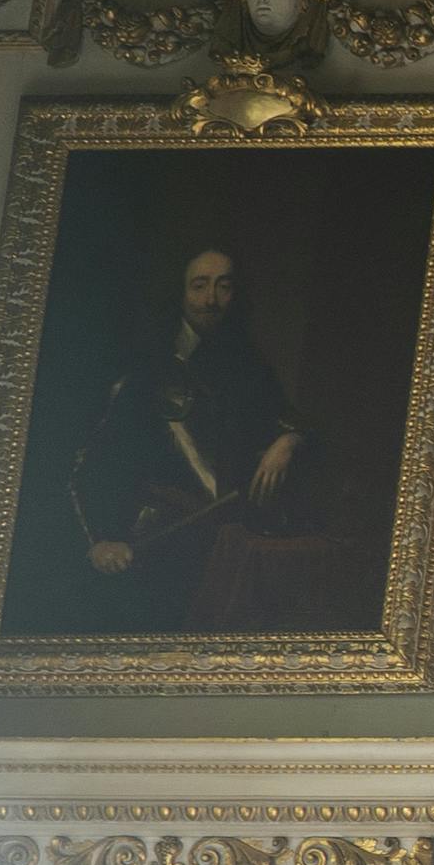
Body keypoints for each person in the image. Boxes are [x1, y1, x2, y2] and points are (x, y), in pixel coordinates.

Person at [65, 245, 347, 634]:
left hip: (224, 543)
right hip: (155, 542)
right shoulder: (146, 368)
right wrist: (100, 539)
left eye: (223, 287)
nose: (211, 300)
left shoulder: (246, 363)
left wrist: (289, 441)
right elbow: (91, 464)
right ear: (180, 292)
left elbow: (290, 419)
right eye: (199, 286)